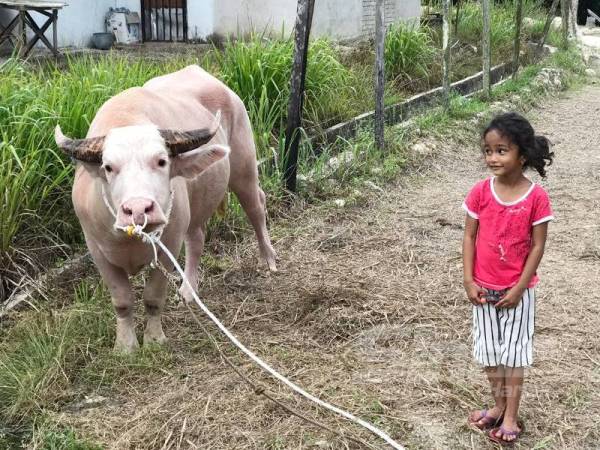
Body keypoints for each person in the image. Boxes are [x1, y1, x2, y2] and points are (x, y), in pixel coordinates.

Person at [462, 112, 554, 445]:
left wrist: (518, 289)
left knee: (513, 355)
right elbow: (469, 237)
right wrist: (469, 281)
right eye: (488, 151)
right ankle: (499, 404)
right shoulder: (480, 193)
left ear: (523, 155)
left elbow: (538, 246)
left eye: (501, 150)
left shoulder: (536, 197)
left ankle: (512, 417)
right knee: (488, 353)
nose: (492, 158)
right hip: (483, 291)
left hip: (517, 293)